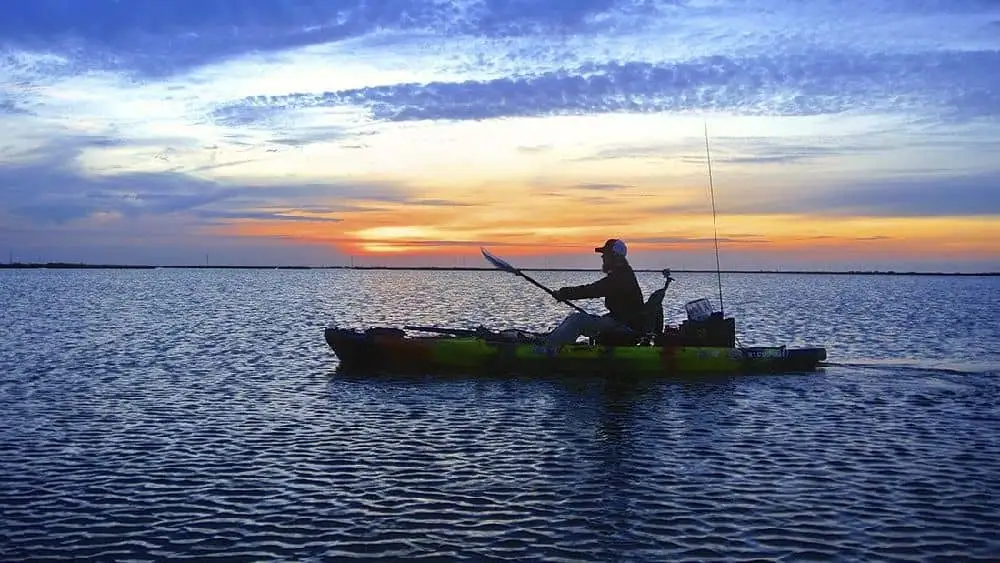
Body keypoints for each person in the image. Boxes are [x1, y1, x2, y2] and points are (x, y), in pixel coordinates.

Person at [538, 238, 645, 352]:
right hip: (621, 322)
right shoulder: (623, 274)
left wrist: (563, 293)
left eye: (606, 254)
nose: (602, 257)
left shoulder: (621, 278)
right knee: (577, 318)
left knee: (577, 320)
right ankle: (551, 341)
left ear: (616, 256)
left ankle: (548, 349)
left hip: (624, 326)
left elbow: (592, 290)